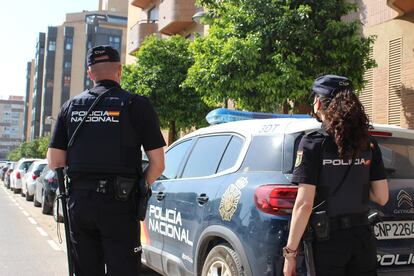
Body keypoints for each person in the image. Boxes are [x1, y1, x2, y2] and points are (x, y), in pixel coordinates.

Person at [47, 45, 166, 276]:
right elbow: (158, 164)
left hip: (80, 204)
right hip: (120, 204)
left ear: (90, 74)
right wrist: (140, 186)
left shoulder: (70, 107)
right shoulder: (136, 105)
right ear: (119, 70)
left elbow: (55, 162)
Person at [283, 75, 389, 276]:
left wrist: (290, 254)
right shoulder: (369, 143)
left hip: (328, 243)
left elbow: (304, 205)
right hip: (363, 240)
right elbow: (382, 197)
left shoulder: (313, 143)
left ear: (319, 102)